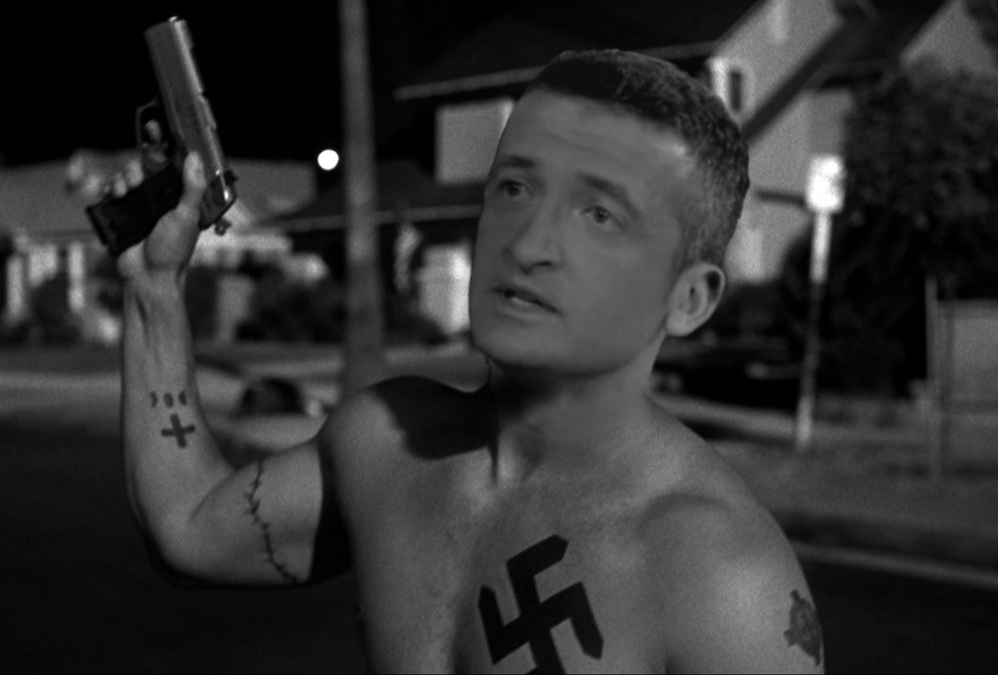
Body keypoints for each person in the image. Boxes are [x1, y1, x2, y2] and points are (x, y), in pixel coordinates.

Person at [107, 49, 824, 673]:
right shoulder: (387, 445)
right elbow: (188, 528)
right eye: (515, 187)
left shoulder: (720, 571)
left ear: (688, 298)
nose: (529, 241)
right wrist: (154, 287)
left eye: (599, 215)